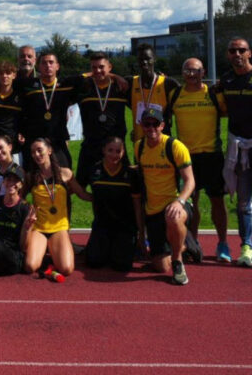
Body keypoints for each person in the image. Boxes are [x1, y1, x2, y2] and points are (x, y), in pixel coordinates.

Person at [168, 57, 230, 262]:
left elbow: (231, 113)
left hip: (212, 156)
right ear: (182, 73)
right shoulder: (175, 95)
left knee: (217, 201)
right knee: (189, 204)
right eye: (187, 70)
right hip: (186, 159)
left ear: (203, 72)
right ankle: (192, 243)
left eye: (195, 70)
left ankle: (223, 244)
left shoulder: (213, 94)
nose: (191, 74)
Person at [134, 108, 195, 285]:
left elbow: (190, 181)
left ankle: (178, 261)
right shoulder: (139, 147)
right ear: (141, 125)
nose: (151, 128)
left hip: (176, 203)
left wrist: (179, 201)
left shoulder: (175, 146)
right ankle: (186, 245)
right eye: (147, 124)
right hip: (153, 209)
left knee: (173, 217)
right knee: (160, 266)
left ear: (162, 125)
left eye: (155, 124)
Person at [23, 138, 91, 277]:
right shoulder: (31, 177)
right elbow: (20, 198)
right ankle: (47, 252)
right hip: (39, 228)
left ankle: (52, 252)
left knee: (66, 269)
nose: (36, 154)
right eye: (33, 152)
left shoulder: (65, 173)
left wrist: (102, 197)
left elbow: (82, 194)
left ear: (49, 150)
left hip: (59, 227)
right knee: (30, 266)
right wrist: (28, 208)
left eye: (39, 150)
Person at [213, 37, 252, 267]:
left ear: (249, 53)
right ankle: (247, 246)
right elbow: (223, 110)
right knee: (244, 202)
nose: (237, 54)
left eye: (241, 50)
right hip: (239, 147)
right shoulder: (225, 81)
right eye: (232, 50)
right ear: (228, 55)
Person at [85, 137, 144, 272]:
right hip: (102, 225)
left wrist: (141, 233)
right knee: (94, 262)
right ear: (103, 150)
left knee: (121, 266)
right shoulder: (94, 170)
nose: (114, 154)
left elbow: (137, 205)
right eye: (110, 150)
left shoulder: (130, 173)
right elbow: (91, 196)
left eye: (118, 151)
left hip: (125, 226)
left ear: (123, 153)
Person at [76, 52, 129, 188]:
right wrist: (113, 75)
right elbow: (70, 80)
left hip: (116, 149)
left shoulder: (120, 87)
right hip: (90, 147)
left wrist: (115, 77)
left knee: (124, 187)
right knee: (78, 186)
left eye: (101, 67)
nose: (97, 71)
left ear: (110, 66)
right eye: (94, 68)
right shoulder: (84, 87)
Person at [129, 43, 178, 143]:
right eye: (141, 59)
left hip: (162, 143)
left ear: (154, 59)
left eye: (148, 58)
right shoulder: (130, 83)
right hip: (140, 143)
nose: (144, 62)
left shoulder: (168, 83)